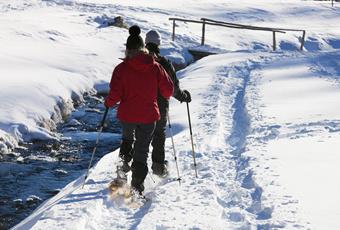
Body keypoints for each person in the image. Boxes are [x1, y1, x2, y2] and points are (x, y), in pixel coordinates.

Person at [105, 25, 174, 195]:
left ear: (127, 49)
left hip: (127, 115)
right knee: (141, 151)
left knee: (127, 141)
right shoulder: (155, 67)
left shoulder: (121, 69)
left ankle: (121, 175)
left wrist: (108, 103)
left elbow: (115, 94)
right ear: (143, 48)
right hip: (149, 115)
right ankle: (136, 188)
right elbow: (168, 90)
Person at [144, 30, 192, 177]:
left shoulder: (138, 61)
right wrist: (183, 96)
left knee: (141, 136)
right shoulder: (164, 63)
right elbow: (173, 88)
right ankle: (158, 167)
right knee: (159, 135)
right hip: (160, 105)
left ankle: (136, 166)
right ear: (159, 43)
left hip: (140, 103)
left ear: (146, 42)